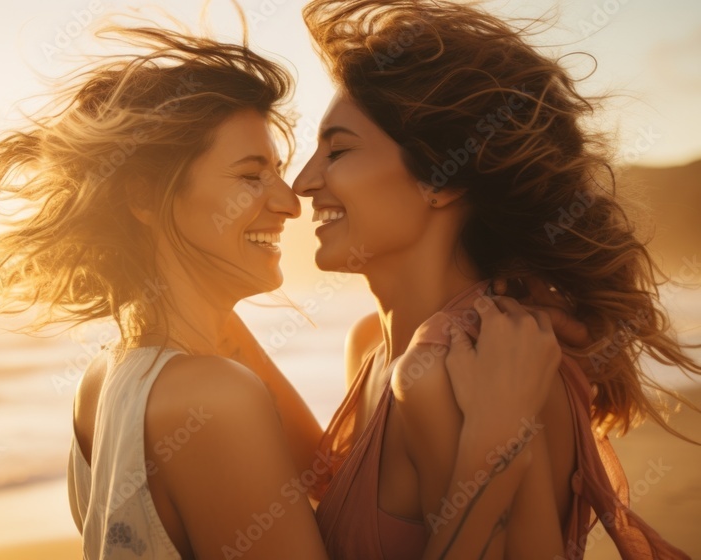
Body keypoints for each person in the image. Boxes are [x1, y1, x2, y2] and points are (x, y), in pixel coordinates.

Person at [0, 18, 574, 560]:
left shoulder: (104, 381)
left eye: (295, 165)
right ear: (146, 197)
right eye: (252, 174)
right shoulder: (215, 399)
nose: (291, 198)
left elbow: (338, 485)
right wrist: (497, 440)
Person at [281, 0, 699, 558]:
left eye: (338, 150)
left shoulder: (466, 367)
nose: (304, 182)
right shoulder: (371, 347)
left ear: (442, 178)